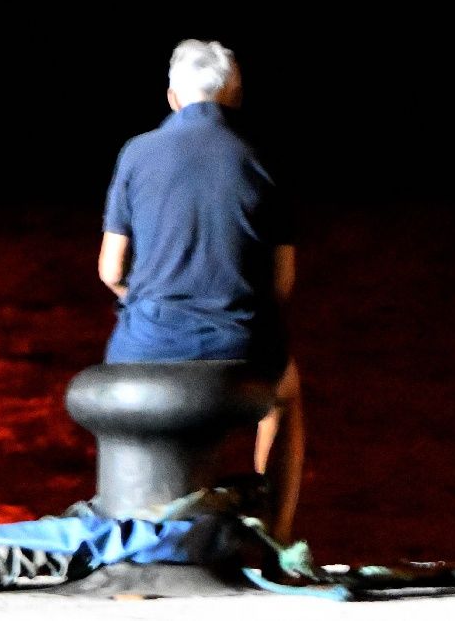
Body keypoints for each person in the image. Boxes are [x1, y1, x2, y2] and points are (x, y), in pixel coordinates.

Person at [97, 41, 305, 541]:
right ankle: (274, 532)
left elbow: (109, 269)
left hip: (145, 345)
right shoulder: (263, 158)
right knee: (287, 398)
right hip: (237, 344)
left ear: (172, 97)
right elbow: (281, 283)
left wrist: (147, 302)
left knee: (128, 364)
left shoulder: (136, 152)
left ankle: (138, 531)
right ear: (235, 94)